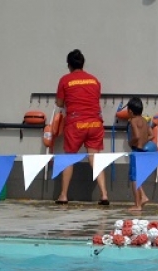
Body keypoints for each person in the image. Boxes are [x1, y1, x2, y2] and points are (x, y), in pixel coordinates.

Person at [55, 49, 108, 206]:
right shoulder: (94, 80)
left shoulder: (65, 80)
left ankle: (63, 195)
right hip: (95, 123)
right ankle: (104, 194)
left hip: (76, 123)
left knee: (69, 158)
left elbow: (59, 103)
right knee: (95, 159)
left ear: (69, 65)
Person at [126, 97, 153, 213]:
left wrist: (131, 142)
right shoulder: (144, 121)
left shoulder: (133, 121)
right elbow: (152, 136)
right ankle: (143, 197)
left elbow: (136, 136)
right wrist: (144, 141)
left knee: (134, 179)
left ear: (131, 111)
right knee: (137, 176)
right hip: (143, 152)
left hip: (136, 151)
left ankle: (137, 205)